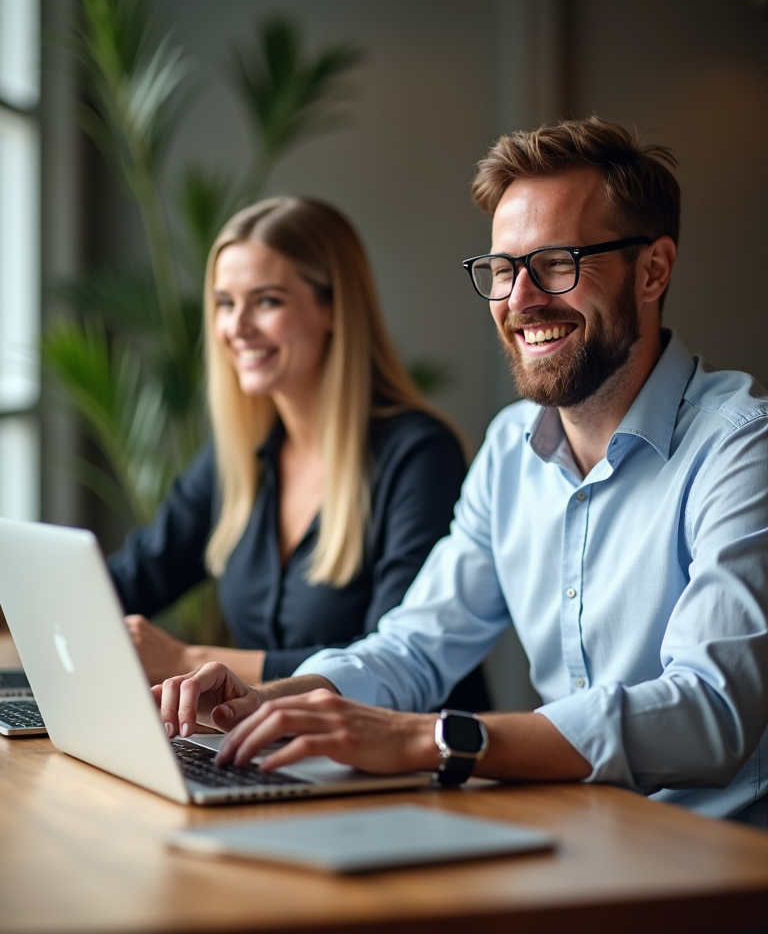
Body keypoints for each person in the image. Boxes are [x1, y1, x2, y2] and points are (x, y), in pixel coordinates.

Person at [155, 119, 768, 827]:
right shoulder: (511, 449)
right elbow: (416, 645)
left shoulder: (742, 449)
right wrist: (278, 699)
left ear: (653, 270)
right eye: (505, 269)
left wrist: (427, 738)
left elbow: (709, 711)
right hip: (577, 834)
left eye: (558, 263)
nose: (521, 299)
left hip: (720, 864)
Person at [109, 195, 489, 711]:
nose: (237, 327)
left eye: (266, 301)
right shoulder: (237, 457)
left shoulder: (419, 455)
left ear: (332, 307)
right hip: (280, 752)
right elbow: (134, 577)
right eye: (224, 303)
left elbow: (388, 662)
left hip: (418, 769)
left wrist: (187, 657)